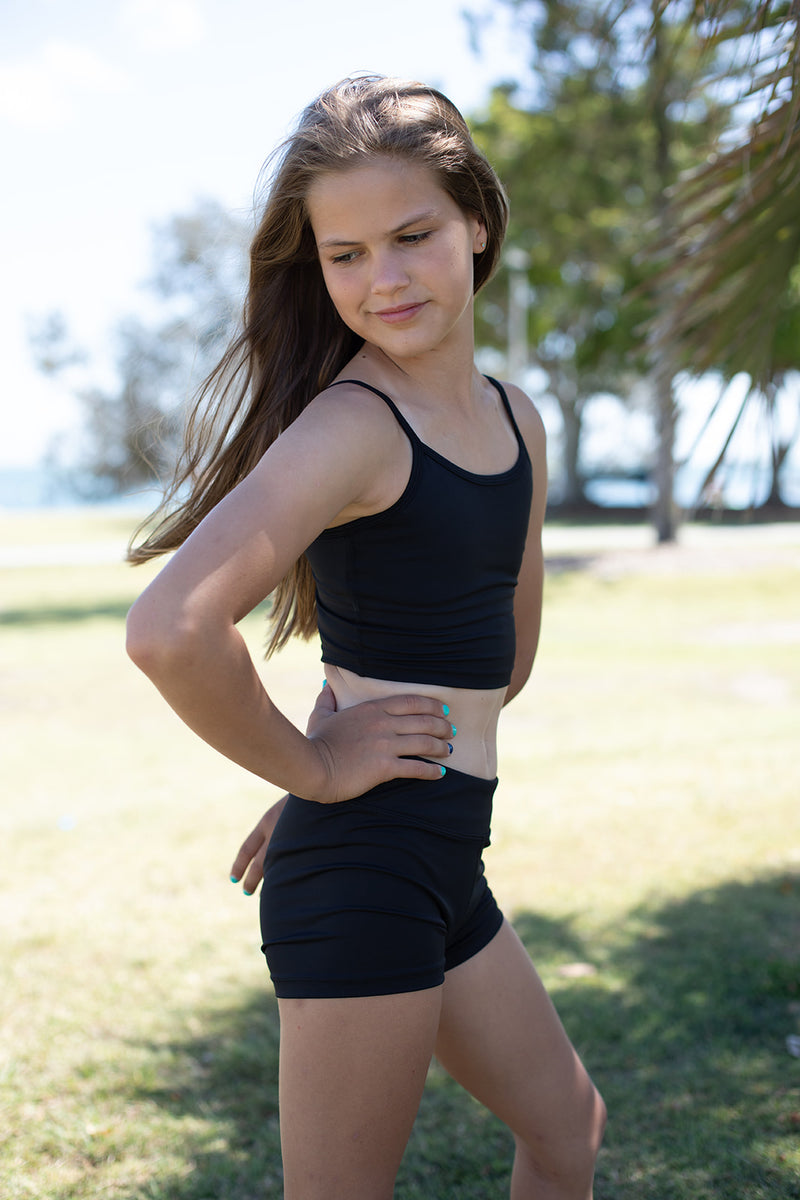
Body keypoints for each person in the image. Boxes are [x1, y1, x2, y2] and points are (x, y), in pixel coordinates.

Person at [126, 75, 605, 1199]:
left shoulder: (516, 420)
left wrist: (344, 750)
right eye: (345, 255)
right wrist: (316, 771)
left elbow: (500, 663)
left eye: (411, 236)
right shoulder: (352, 426)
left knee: (567, 1134)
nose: (383, 279)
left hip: (441, 851)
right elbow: (170, 629)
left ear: (475, 221)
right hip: (366, 878)